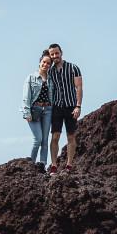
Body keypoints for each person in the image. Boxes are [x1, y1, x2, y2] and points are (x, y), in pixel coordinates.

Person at [46, 43, 83, 174]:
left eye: (57, 53)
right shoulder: (50, 71)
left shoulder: (74, 68)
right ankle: (54, 165)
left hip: (71, 106)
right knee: (55, 136)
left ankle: (69, 165)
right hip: (56, 107)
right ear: (50, 56)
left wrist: (78, 106)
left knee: (71, 136)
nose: (55, 56)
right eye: (52, 54)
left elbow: (79, 88)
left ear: (61, 53)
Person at [22, 54, 54, 166]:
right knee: (38, 139)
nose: (45, 64)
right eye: (44, 62)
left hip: (48, 110)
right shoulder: (31, 78)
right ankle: (31, 165)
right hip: (35, 110)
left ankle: (42, 166)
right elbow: (26, 97)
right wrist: (27, 113)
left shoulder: (51, 79)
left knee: (45, 141)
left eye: (48, 63)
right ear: (40, 62)